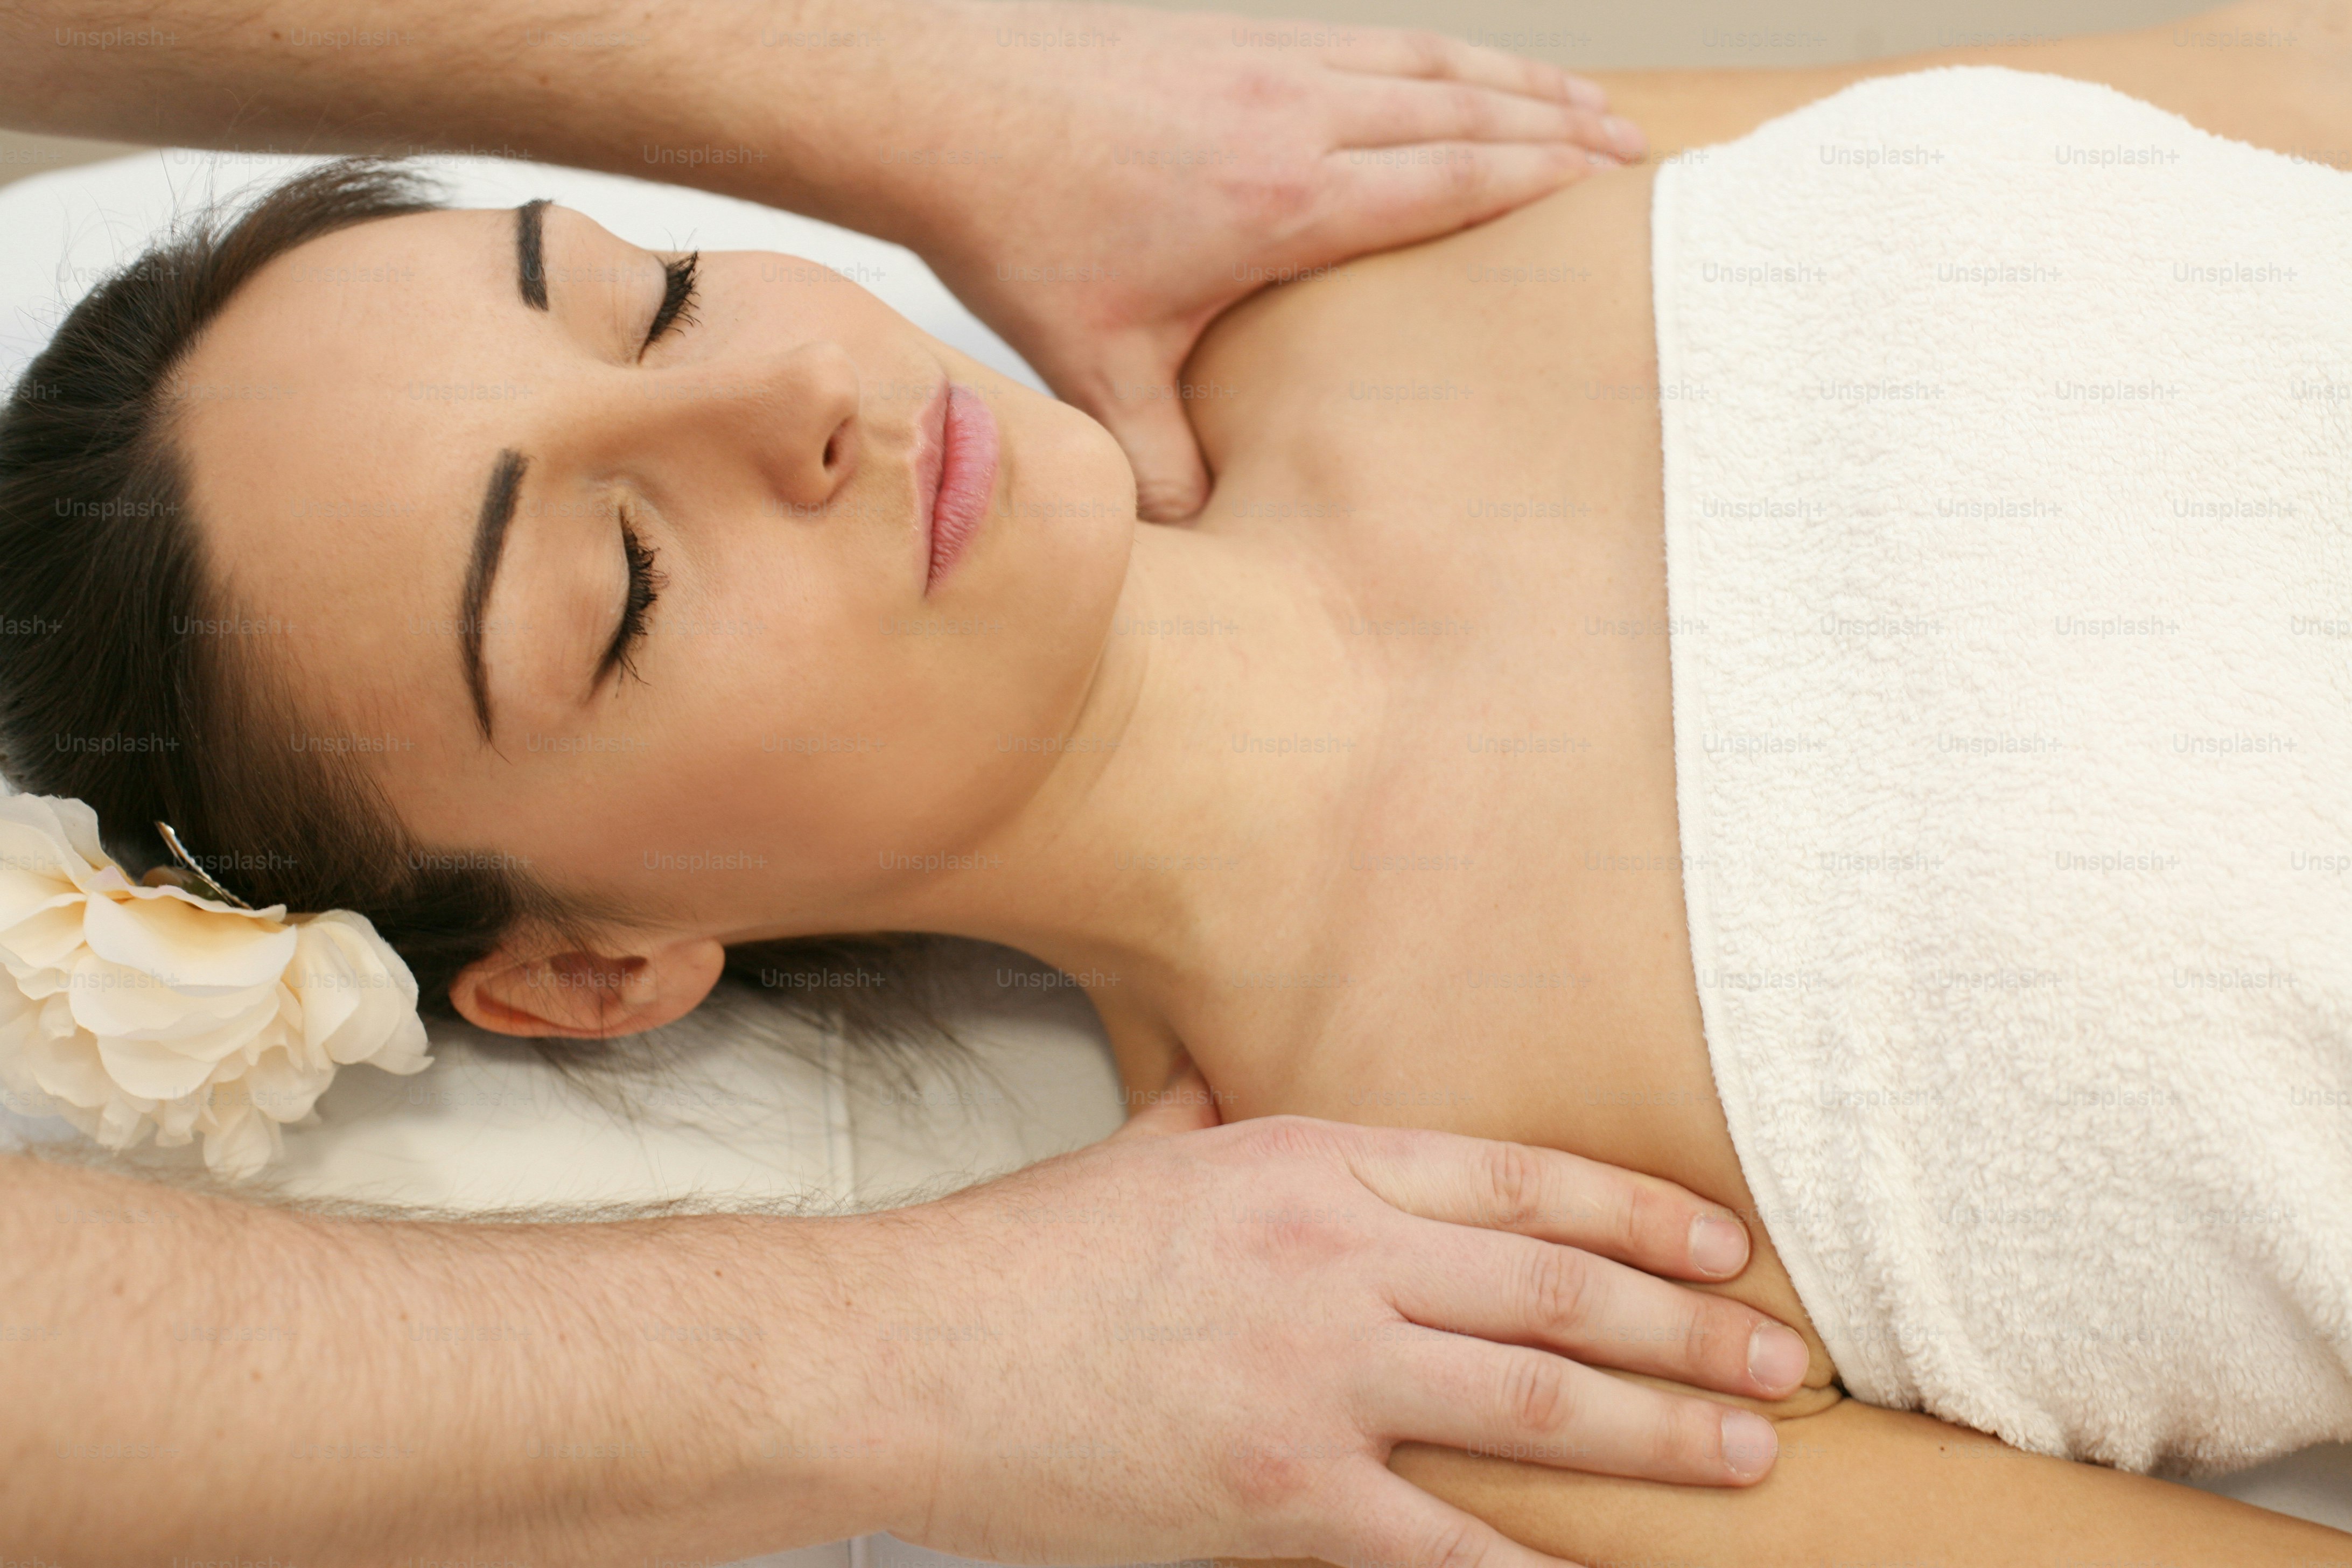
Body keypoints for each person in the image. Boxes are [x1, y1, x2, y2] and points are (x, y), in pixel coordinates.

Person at [5, 3, 2349, 1567]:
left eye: (659, 295)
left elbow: (2260, 75)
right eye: (618, 582)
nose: (785, 410)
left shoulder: (1375, 214)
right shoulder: (1419, 1283)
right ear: (596, 964)